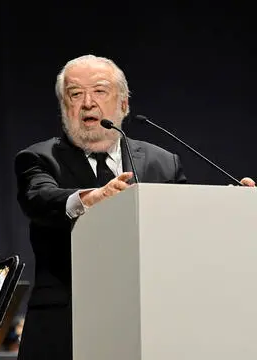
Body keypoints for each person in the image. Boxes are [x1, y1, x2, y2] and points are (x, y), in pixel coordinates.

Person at [13, 54, 255, 360]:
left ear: (124, 105)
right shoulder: (38, 158)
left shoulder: (162, 161)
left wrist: (231, 209)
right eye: (75, 94)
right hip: (66, 326)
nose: (88, 102)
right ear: (65, 108)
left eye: (100, 91)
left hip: (149, 324)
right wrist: (90, 198)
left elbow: (185, 231)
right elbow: (38, 199)